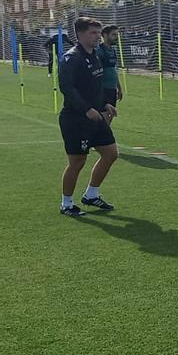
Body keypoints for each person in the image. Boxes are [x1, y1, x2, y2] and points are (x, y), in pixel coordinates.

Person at [57, 17, 119, 216]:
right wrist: (86, 109)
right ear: (80, 34)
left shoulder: (95, 55)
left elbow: (95, 87)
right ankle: (66, 204)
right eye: (93, 33)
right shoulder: (71, 58)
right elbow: (67, 88)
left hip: (95, 115)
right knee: (77, 162)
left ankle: (91, 194)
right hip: (75, 119)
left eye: (98, 32)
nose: (97, 37)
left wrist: (103, 104)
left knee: (110, 154)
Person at [97, 25, 123, 120]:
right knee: (103, 118)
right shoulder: (99, 51)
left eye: (117, 34)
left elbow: (113, 70)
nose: (116, 37)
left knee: (110, 116)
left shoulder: (113, 51)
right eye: (113, 34)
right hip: (103, 89)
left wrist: (119, 88)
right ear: (105, 35)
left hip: (112, 89)